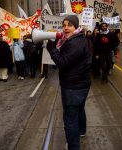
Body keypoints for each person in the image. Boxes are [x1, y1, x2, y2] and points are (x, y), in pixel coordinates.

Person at [47, 15, 92, 150]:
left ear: (76, 26)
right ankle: (82, 131)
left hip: (73, 87)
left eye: (70, 25)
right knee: (79, 109)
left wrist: (52, 49)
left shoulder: (74, 42)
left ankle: (73, 146)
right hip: (82, 84)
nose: (66, 28)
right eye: (64, 25)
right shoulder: (79, 39)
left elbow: (62, 63)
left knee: (70, 118)